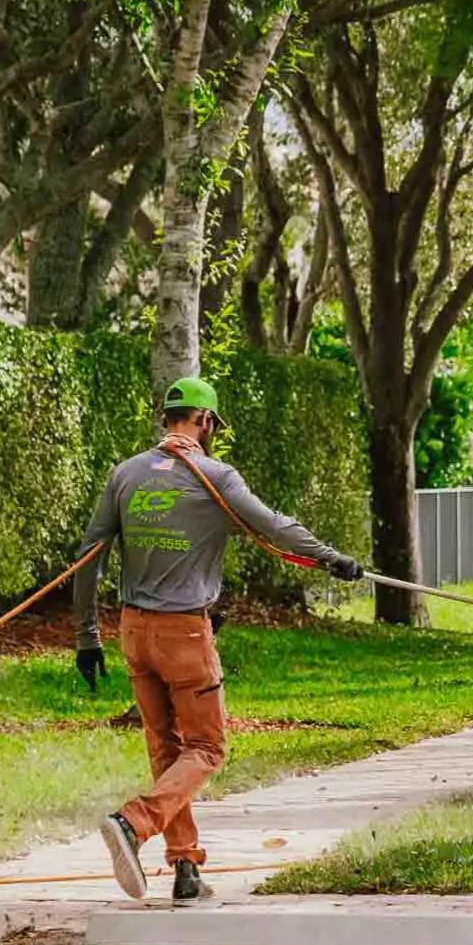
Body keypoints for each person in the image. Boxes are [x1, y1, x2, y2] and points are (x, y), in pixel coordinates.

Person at [73, 375, 364, 903]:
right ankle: (133, 823)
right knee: (206, 747)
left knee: (167, 748)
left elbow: (89, 556)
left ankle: (185, 868)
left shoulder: (125, 475)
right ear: (204, 422)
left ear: (166, 418)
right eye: (211, 425)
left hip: (133, 631)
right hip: (184, 631)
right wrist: (332, 558)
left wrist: (85, 635)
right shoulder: (215, 477)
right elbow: (275, 527)